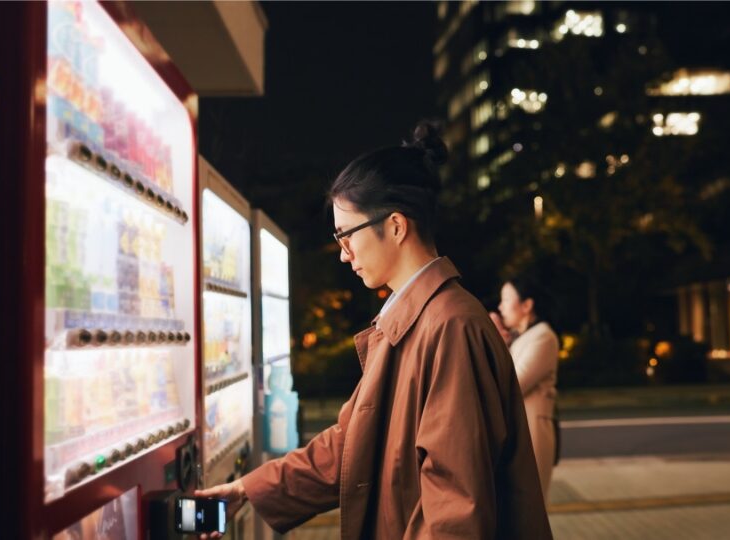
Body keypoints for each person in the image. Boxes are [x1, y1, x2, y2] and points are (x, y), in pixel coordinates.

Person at [196, 122, 552, 539]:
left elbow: (455, 511)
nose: (343, 255)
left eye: (346, 236)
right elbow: (352, 446)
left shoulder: (450, 327)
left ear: (396, 226)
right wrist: (249, 488)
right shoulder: (412, 319)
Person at [491, 276, 560, 504]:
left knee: (529, 509)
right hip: (520, 434)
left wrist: (496, 345)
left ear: (527, 305)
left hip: (533, 435)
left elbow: (513, 384)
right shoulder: (523, 338)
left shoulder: (543, 337)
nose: (500, 307)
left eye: (506, 299)